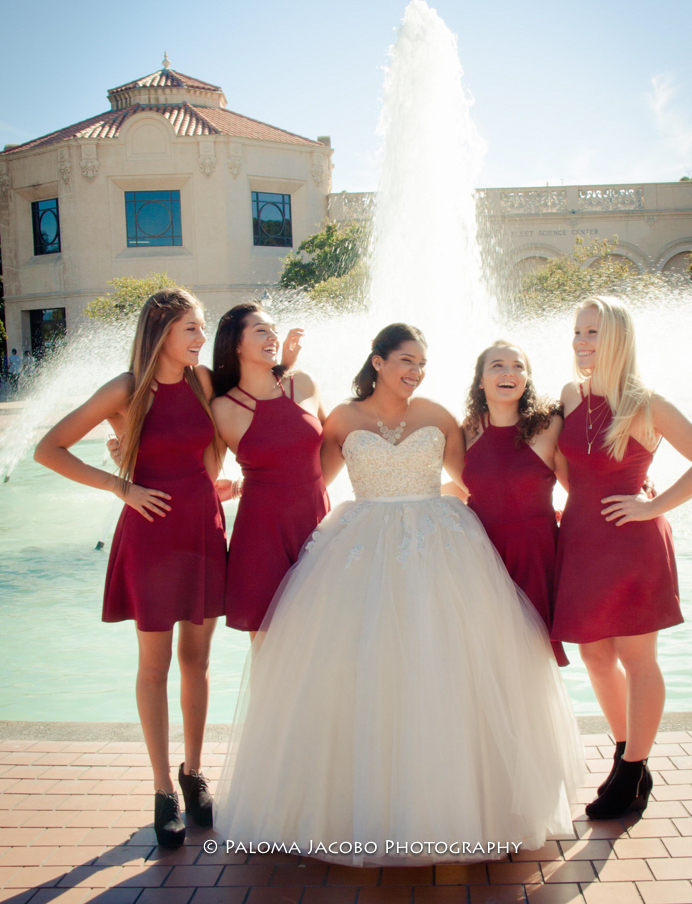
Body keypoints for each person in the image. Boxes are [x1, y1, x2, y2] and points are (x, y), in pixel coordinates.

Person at [215, 323, 584, 865]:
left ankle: (456, 802)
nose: (416, 371)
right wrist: (243, 485)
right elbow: (308, 477)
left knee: (445, 666)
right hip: (363, 547)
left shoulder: (437, 416)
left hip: (441, 545)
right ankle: (359, 805)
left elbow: (475, 476)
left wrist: (537, 501)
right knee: (364, 667)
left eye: (422, 364)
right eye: (407, 361)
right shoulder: (342, 418)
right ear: (378, 361)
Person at [34, 288, 228, 847]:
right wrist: (122, 487)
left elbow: (212, 450)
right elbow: (49, 449)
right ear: (162, 331)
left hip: (202, 530)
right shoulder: (125, 389)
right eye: (191, 328)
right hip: (149, 537)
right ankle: (162, 787)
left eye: (203, 328)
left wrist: (216, 487)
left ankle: (194, 774)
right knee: (155, 665)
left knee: (198, 659)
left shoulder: (203, 381)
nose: (200, 338)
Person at [552, 296, 692, 819]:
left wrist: (652, 505)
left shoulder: (645, 403)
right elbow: (565, 466)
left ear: (618, 340)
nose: (582, 342)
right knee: (595, 657)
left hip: (631, 544)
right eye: (578, 332)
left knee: (635, 658)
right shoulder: (568, 394)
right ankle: (630, 756)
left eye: (593, 333)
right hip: (581, 539)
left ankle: (630, 769)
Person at [210, 303, 329, 634]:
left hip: (317, 526)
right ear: (235, 343)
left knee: (325, 640)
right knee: (268, 646)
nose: (274, 336)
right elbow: (201, 474)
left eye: (274, 329)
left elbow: (337, 447)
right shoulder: (221, 408)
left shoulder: (303, 384)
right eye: (261, 330)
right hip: (260, 536)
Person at [450, 340, 569, 667]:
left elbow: (580, 483)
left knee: (533, 654)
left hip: (536, 551)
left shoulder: (549, 425)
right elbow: (460, 486)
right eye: (497, 365)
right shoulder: (469, 429)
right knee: (488, 656)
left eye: (518, 366)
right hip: (481, 552)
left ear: (527, 378)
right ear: (480, 380)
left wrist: (634, 485)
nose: (509, 372)